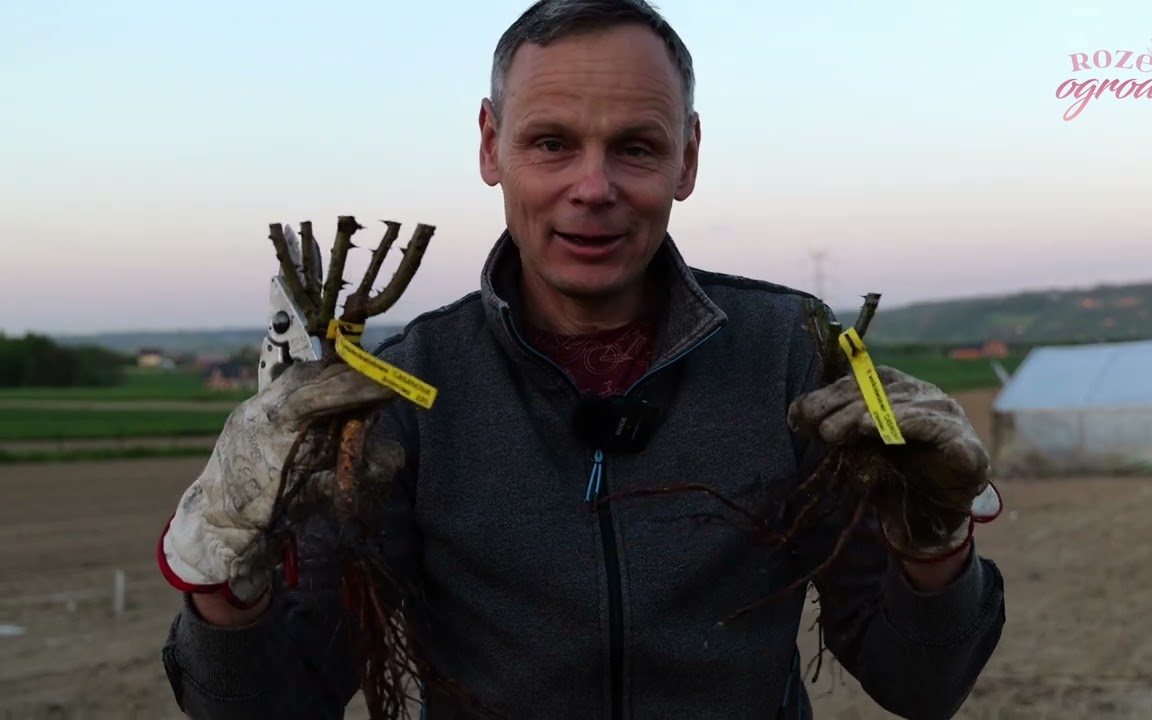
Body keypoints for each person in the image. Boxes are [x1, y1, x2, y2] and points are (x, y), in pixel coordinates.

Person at [156, 0, 1006, 718]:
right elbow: (270, 703)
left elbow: (921, 682)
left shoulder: (788, 354)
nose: (592, 187)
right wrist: (225, 575)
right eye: (551, 143)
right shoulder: (403, 392)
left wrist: (934, 548)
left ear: (689, 157)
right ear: (491, 147)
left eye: (635, 146)